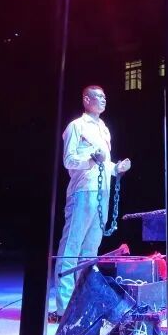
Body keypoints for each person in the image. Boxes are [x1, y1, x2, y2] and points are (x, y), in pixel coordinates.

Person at [50, 85, 131, 321]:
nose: (104, 100)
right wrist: (90, 160)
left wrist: (116, 168)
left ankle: (83, 303)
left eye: (105, 96)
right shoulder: (76, 126)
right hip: (83, 192)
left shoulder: (103, 129)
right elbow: (68, 160)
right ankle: (64, 308)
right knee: (71, 248)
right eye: (99, 97)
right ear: (86, 99)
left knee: (90, 252)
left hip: (102, 192)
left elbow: (104, 163)